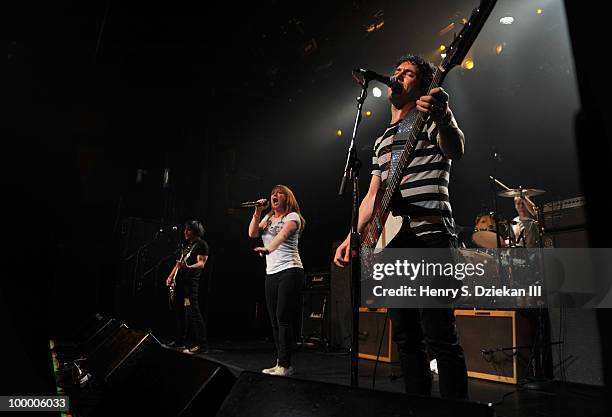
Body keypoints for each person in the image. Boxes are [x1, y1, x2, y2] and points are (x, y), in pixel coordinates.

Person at [333, 54, 468, 399]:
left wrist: (444, 116)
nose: (397, 77)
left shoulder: (429, 117)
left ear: (421, 86)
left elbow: (455, 148)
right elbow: (373, 195)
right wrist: (353, 235)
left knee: (440, 335)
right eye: (396, 72)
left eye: (407, 74)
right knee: (406, 338)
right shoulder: (380, 141)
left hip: (431, 233)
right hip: (393, 243)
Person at [248, 184, 305, 377]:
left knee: (283, 317)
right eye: (272, 193)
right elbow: (253, 233)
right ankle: (280, 362)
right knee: (274, 320)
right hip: (271, 273)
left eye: (279, 193)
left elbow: (282, 235)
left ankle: (286, 365)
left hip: (290, 270)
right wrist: (257, 211)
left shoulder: (292, 217)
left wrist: (269, 249)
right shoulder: (268, 218)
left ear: (286, 198)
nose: (274, 196)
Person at [165, 220, 209, 354]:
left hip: (190, 286)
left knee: (193, 313)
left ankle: (202, 345)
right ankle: (179, 341)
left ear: (196, 231)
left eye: (188, 230)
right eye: (185, 230)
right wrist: (170, 276)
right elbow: (179, 263)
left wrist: (188, 267)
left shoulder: (201, 245)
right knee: (180, 313)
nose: (185, 232)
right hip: (181, 286)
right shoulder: (188, 246)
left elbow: (201, 263)